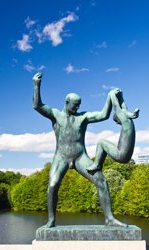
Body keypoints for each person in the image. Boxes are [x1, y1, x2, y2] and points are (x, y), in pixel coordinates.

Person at [32, 72, 126, 228]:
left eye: (79, 105)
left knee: (102, 181)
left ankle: (109, 219)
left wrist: (110, 97)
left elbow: (103, 115)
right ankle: (51, 220)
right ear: (67, 102)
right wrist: (36, 85)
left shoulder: (83, 117)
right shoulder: (56, 115)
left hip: (80, 157)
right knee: (53, 185)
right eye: (75, 105)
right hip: (61, 156)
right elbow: (37, 106)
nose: (77, 108)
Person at [87, 88, 139, 172]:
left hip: (121, 155)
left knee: (101, 142)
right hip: (126, 156)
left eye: (117, 121)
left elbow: (117, 108)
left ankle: (97, 165)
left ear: (119, 118)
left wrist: (111, 95)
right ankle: (99, 163)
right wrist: (121, 97)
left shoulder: (125, 122)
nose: (119, 123)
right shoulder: (129, 122)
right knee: (105, 145)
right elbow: (124, 109)